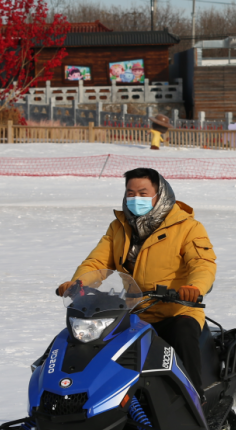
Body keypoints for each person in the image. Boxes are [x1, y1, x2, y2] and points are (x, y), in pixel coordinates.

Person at [57, 168, 217, 395]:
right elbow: (96, 262)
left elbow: (203, 263)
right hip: (132, 311)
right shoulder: (119, 228)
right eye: (131, 193)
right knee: (89, 343)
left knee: (182, 334)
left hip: (176, 310)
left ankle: (193, 400)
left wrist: (194, 288)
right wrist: (78, 284)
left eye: (143, 193)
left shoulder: (188, 227)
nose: (135, 199)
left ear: (160, 193)